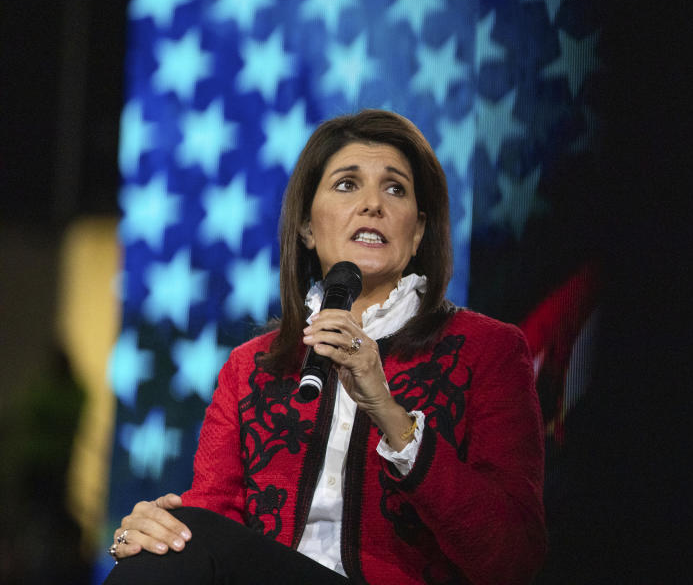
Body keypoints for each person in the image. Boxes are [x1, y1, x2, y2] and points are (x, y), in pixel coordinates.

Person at [104, 110, 546, 584]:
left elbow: (514, 559)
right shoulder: (251, 367)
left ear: (417, 232)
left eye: (394, 188)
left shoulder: (487, 351)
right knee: (173, 541)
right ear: (307, 228)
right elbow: (214, 518)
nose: (372, 204)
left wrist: (391, 416)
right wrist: (155, 533)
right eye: (346, 185)